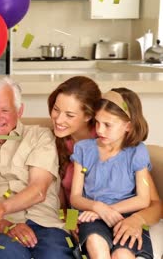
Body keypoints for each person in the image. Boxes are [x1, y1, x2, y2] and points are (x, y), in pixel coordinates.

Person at [48, 76, 162, 253]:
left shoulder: (115, 142)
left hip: (120, 217)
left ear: (89, 115)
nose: (58, 120)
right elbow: (65, 203)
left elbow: (153, 204)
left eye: (70, 115)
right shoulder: (56, 143)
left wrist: (136, 220)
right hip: (87, 220)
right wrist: (71, 224)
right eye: (55, 109)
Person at [0, 77, 73, 259]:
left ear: (20, 111)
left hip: (46, 225)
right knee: (1, 254)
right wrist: (2, 223)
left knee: (55, 255)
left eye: (5, 110)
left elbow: (38, 190)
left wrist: (1, 208)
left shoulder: (40, 136)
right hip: (0, 229)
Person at [70, 88, 154, 259]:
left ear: (128, 126)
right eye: (97, 122)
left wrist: (106, 210)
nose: (100, 130)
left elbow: (144, 199)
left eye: (107, 125)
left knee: (123, 254)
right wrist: (96, 209)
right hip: (91, 217)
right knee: (95, 242)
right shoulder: (83, 149)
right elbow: (73, 198)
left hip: (126, 216)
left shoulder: (137, 152)